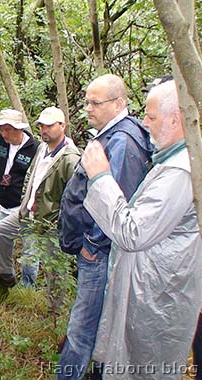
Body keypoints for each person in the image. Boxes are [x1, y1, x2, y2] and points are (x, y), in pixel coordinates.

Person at [81, 79, 202, 379]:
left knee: (146, 366)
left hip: (158, 296)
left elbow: (133, 232)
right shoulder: (170, 159)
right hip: (147, 289)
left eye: (150, 116)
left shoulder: (180, 171)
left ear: (176, 119)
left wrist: (100, 178)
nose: (144, 123)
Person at [57, 74, 153, 379]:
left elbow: (117, 201)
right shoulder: (111, 135)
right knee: (95, 324)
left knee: (82, 328)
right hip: (96, 251)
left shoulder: (122, 142)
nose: (88, 108)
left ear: (118, 104)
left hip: (100, 254)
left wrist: (92, 246)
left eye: (95, 102)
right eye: (86, 101)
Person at [0, 106, 80, 288]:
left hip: (51, 221)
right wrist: (25, 203)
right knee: (1, 230)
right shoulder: (42, 148)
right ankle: (5, 274)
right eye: (42, 126)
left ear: (62, 126)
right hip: (28, 213)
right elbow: (32, 177)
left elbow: (75, 198)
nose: (44, 130)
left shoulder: (70, 158)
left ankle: (54, 310)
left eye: (49, 126)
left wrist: (63, 224)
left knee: (54, 269)